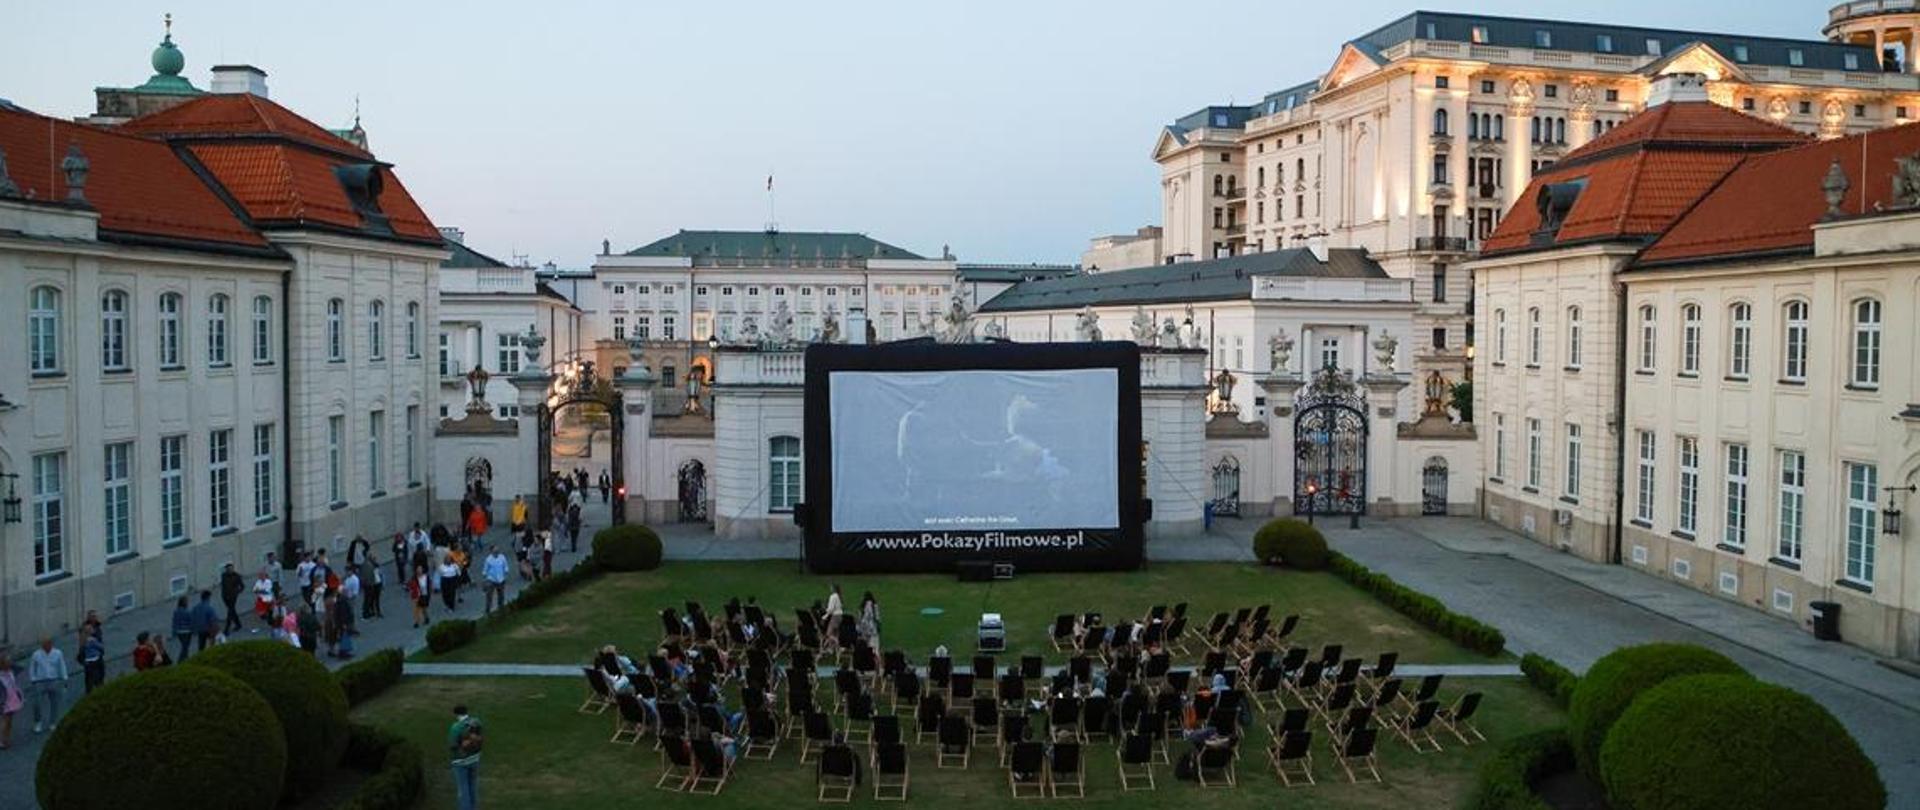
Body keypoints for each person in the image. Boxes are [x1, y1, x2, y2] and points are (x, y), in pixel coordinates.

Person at [27, 636, 66, 734]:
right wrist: (33, 679)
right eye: (44, 644)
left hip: (53, 680)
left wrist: (64, 677)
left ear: (51, 644)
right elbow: (32, 667)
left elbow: (61, 665)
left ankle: (52, 722)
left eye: (47, 644)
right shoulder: (36, 654)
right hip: (40, 681)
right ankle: (38, 722)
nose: (45, 646)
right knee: (37, 703)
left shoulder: (57, 653)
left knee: (54, 702)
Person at [448, 704, 484, 810]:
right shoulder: (477, 722)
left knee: (463, 789)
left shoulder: (456, 727)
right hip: (475, 758)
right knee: (473, 785)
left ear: (456, 714)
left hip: (460, 762)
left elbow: (452, 745)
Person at [0, 652, 23, 749]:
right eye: (8, 662)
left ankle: (7, 738)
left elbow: (21, 667)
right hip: (4, 701)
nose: (10, 663)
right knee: (5, 720)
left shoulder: (11, 671)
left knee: (10, 721)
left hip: (12, 698)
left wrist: (10, 662)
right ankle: (2, 740)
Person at [217, 563, 246, 634]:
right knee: (232, 611)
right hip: (225, 597)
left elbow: (242, 586)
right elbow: (223, 585)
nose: (230, 570)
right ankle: (238, 624)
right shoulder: (223, 576)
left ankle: (227, 629)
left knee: (230, 612)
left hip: (233, 597)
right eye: (228, 569)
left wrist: (237, 592)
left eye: (231, 569)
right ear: (226, 570)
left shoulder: (236, 576)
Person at [483, 547, 509, 614]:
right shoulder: (488, 560)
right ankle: (488, 609)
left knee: (501, 595)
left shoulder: (502, 557)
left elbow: (505, 565)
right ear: (491, 551)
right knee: (489, 595)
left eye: (497, 550)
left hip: (501, 579)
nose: (497, 551)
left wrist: (506, 571)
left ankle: (501, 608)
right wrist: (485, 577)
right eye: (495, 550)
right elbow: (485, 570)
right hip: (491, 579)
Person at [170, 596, 195, 661]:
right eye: (187, 602)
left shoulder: (176, 612)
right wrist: (193, 630)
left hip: (179, 632)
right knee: (185, 647)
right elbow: (191, 622)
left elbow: (174, 622)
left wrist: (174, 632)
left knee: (184, 646)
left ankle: (186, 658)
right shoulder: (187, 612)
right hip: (187, 631)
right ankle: (180, 660)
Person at [363, 554, 385, 619]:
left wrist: (382, 584)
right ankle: (373, 611)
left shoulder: (377, 566)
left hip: (377, 584)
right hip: (373, 584)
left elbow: (381, 575)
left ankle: (377, 611)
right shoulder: (370, 567)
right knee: (373, 599)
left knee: (376, 599)